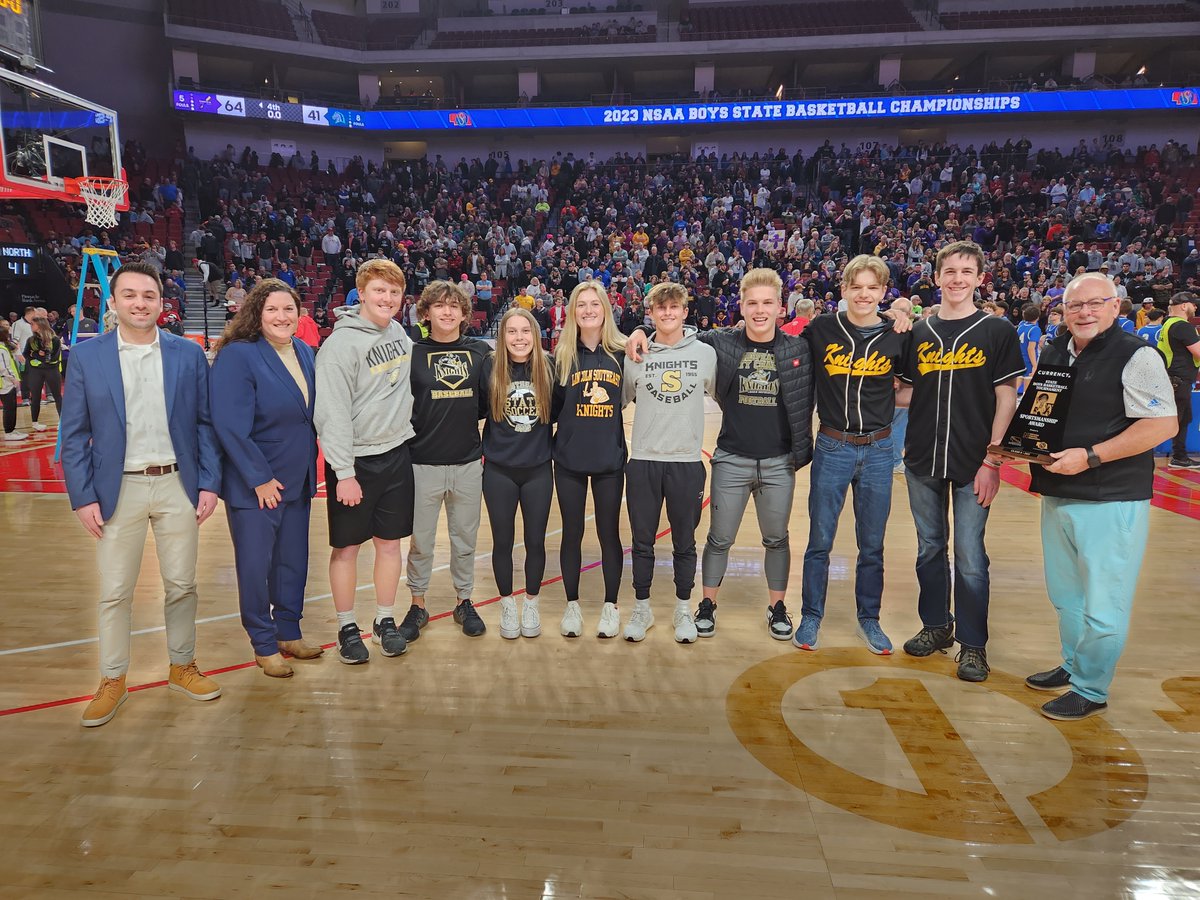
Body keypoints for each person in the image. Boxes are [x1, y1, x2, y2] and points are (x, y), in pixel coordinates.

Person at [60, 261, 223, 727]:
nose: (139, 303)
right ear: (113, 303)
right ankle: (113, 678)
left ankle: (182, 665)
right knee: (115, 592)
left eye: (148, 295)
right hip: (117, 489)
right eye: (129, 295)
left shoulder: (187, 355)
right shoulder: (88, 357)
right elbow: (73, 435)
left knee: (182, 584)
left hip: (176, 484)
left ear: (161, 302)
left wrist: (209, 481)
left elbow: (204, 424)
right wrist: (82, 496)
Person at [627, 268, 814, 642]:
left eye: (767, 303)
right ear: (741, 306)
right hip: (730, 456)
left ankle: (778, 606)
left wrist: (897, 313)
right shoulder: (720, 344)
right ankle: (706, 605)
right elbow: (674, 335)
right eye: (752, 303)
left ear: (780, 307)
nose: (760, 310)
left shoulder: (799, 348)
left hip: (779, 460)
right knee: (718, 538)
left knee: (777, 538)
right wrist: (637, 331)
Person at [1026, 273, 1178, 719]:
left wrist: (1091, 457)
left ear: (1116, 307)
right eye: (1076, 306)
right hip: (1059, 490)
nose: (1085, 312)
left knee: (1103, 601)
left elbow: (1162, 425)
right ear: (1064, 311)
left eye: (1096, 303)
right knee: (1066, 594)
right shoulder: (1057, 349)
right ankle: (1075, 665)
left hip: (1110, 496)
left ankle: (1091, 688)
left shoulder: (1138, 355)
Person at [898, 241, 1024, 682]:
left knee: (970, 555)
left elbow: (1006, 396)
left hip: (975, 460)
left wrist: (994, 459)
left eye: (966, 271)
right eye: (949, 271)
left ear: (980, 278)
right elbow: (909, 391)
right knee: (929, 548)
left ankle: (973, 645)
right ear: (936, 277)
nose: (957, 279)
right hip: (922, 457)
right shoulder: (919, 332)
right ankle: (936, 626)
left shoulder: (997, 331)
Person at [794, 255, 910, 655]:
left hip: (880, 448)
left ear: (883, 292)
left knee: (872, 544)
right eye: (856, 286)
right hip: (833, 445)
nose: (864, 294)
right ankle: (811, 615)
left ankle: (870, 619)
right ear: (843, 290)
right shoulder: (823, 328)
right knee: (819, 540)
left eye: (872, 288)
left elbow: (911, 388)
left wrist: (905, 315)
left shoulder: (898, 334)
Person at [211, 279, 322, 678]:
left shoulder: (306, 352)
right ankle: (262, 642)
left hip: (299, 479)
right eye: (272, 309)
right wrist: (259, 477)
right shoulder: (239, 355)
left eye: (288, 309)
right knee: (256, 567)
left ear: (299, 313)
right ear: (256, 313)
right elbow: (228, 424)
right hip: (256, 485)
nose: (281, 316)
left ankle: (288, 631)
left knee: (293, 562)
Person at [314, 259, 416, 664]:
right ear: (361, 294)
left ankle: (384, 620)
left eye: (394, 292)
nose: (387, 298)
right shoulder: (339, 347)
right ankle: (345, 627)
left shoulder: (399, 333)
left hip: (395, 454)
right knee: (346, 549)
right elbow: (331, 414)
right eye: (379, 291)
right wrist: (343, 473)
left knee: (390, 546)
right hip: (354, 464)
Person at [621, 282, 716, 643]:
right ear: (651, 312)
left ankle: (682, 608)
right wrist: (636, 335)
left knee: (685, 543)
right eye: (660, 308)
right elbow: (620, 401)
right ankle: (642, 607)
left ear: (685, 311)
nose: (667, 313)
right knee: (641, 541)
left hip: (686, 462)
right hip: (643, 461)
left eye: (674, 307)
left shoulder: (706, 354)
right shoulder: (636, 355)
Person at [405, 281, 490, 638]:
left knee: (465, 539)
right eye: (439, 305)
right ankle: (417, 604)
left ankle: (464, 600)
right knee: (421, 541)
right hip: (422, 461)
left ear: (464, 314)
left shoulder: (480, 352)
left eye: (454, 305)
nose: (447, 311)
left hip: (468, 461)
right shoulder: (412, 352)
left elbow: (488, 401)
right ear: (426, 313)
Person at [552, 280, 628, 638]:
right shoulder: (561, 356)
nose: (587, 310)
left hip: (609, 460)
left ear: (605, 310)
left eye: (594, 304)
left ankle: (611, 606)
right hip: (568, 459)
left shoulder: (622, 353)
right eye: (580, 305)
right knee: (572, 533)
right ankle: (572, 606)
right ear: (572, 312)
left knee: (608, 534)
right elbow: (551, 409)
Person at [480, 307, 555, 640]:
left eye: (525, 331)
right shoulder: (490, 368)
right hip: (498, 471)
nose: (519, 338)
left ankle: (532, 601)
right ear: (502, 336)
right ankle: (507, 603)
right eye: (512, 331)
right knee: (503, 542)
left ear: (535, 335)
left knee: (536, 541)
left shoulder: (549, 367)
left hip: (538, 469)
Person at [1158, 292, 1200, 468]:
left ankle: (1179, 456)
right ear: (1184, 306)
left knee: (1182, 419)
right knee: (1176, 420)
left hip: (1174, 380)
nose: (1196, 307)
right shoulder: (1183, 326)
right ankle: (1178, 456)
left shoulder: (1168, 323)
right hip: (1179, 380)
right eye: (1193, 304)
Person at [21, 312, 63, 432]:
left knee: (57, 396)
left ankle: (63, 420)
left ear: (40, 325)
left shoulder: (54, 339)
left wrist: (36, 356)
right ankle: (35, 422)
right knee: (35, 397)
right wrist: (37, 354)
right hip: (36, 371)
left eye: (33, 324)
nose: (31, 326)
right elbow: (26, 354)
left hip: (52, 370)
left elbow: (53, 358)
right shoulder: (31, 340)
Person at [0, 321, 25, 442]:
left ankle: (11, 430)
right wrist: (14, 379)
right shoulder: (2, 350)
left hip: (7, 382)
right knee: (9, 408)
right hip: (5, 383)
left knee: (11, 407)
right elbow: (4, 367)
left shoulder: (5, 347)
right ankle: (9, 432)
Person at [1016, 303, 1042, 396]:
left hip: (1019, 357)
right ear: (1038, 317)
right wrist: (1035, 365)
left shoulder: (1021, 326)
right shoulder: (1035, 329)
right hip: (1028, 359)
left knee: (1018, 379)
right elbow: (1031, 348)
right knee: (1027, 384)